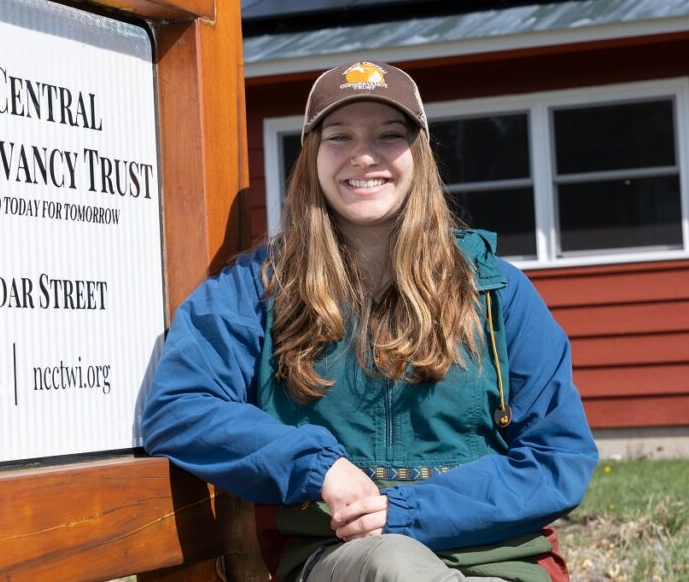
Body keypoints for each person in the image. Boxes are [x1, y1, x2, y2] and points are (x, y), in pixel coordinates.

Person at [142, 61, 598, 582]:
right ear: (311, 155)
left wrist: (410, 511)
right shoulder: (255, 288)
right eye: (340, 137)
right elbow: (179, 407)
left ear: (419, 155)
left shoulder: (497, 291)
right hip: (344, 557)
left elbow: (558, 456)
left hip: (501, 557)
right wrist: (318, 466)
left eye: (389, 136)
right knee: (395, 566)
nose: (364, 155)